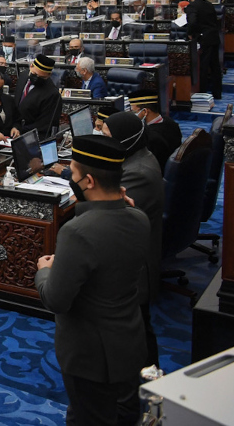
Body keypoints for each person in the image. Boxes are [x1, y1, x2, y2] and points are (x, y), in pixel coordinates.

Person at [35, 135, 150, 426]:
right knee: (124, 415)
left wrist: (44, 270)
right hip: (129, 341)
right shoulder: (139, 217)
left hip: (89, 355)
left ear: (88, 181)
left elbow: (56, 300)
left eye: (72, 173)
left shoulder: (77, 232)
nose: (70, 178)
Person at [102, 111, 164, 367]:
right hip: (134, 254)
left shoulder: (138, 172)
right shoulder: (138, 156)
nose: (103, 140)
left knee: (137, 328)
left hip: (135, 267)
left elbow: (110, 213)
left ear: (123, 139)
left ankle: (145, 379)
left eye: (106, 135)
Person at [128, 89, 181, 175]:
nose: (132, 114)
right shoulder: (171, 122)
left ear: (145, 111)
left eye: (134, 111)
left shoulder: (151, 138)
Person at [185, 0, 222, 99]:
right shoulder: (209, 4)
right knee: (215, 66)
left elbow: (192, 22)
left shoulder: (192, 6)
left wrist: (190, 34)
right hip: (214, 37)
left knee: (204, 67)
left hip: (203, 39)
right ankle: (217, 93)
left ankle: (202, 94)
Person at [15, 55, 62, 138]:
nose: (36, 78)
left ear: (49, 75)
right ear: (31, 66)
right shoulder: (23, 76)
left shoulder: (52, 94)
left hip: (32, 136)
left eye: (42, 77)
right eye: (34, 74)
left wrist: (20, 129)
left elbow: (44, 125)